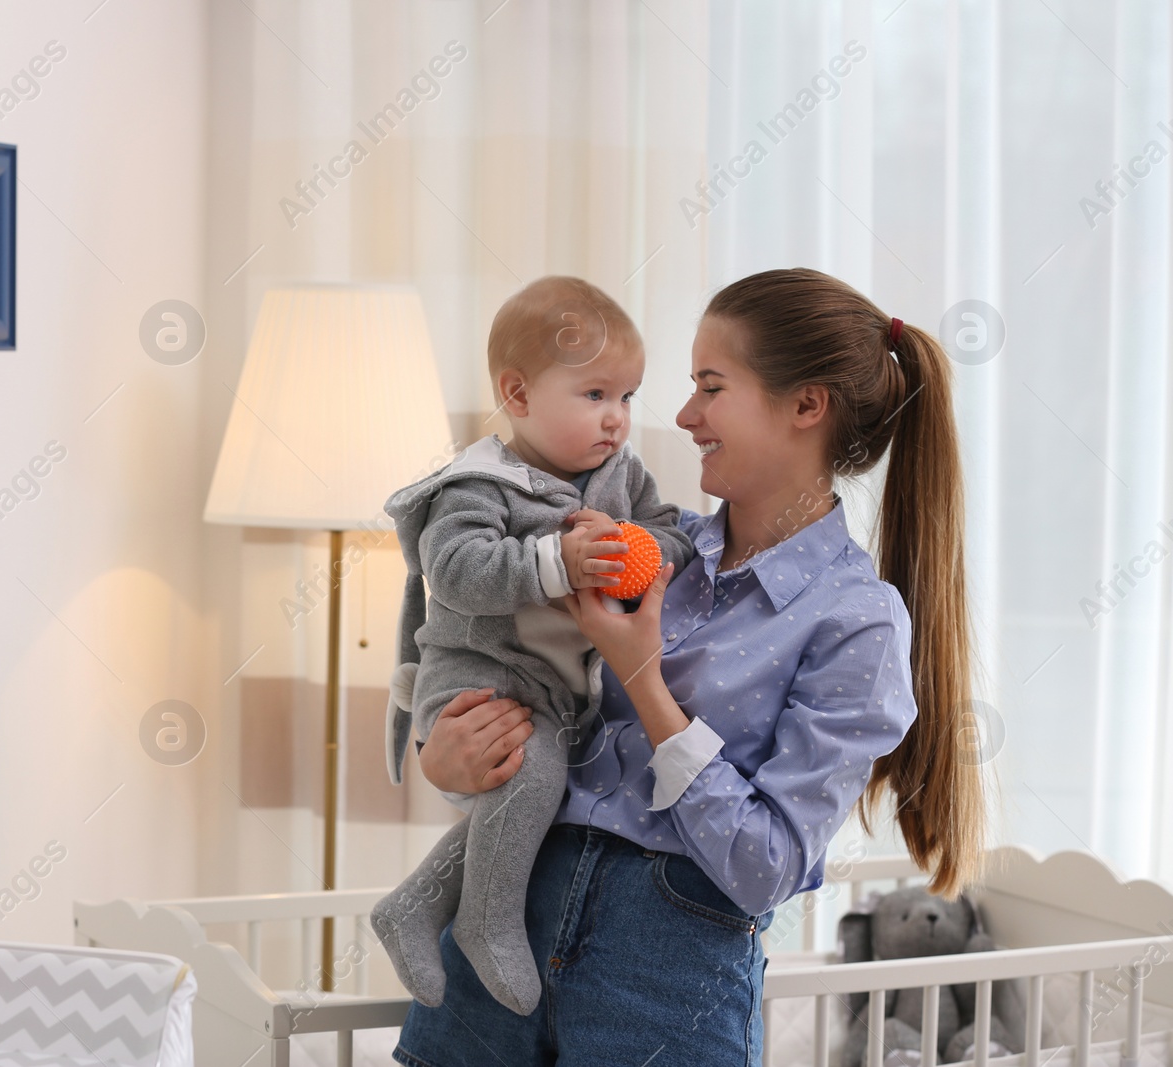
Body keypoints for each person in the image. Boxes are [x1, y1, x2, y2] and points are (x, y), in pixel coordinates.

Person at [390, 267, 987, 1067]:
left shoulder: (855, 620)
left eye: (711, 386)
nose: (681, 414)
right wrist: (450, 761)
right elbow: (533, 710)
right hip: (508, 937)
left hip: (664, 978)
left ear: (807, 405)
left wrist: (643, 677)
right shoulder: (651, 549)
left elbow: (764, 867)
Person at [372, 276, 696, 1016]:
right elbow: (455, 572)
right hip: (477, 678)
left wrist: (633, 544)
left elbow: (676, 533)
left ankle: (411, 906)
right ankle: (486, 923)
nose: (616, 419)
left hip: (553, 692)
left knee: (540, 794)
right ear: (517, 395)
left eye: (627, 397)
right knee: (532, 776)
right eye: (595, 395)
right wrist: (560, 561)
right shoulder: (478, 485)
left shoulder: (622, 476)